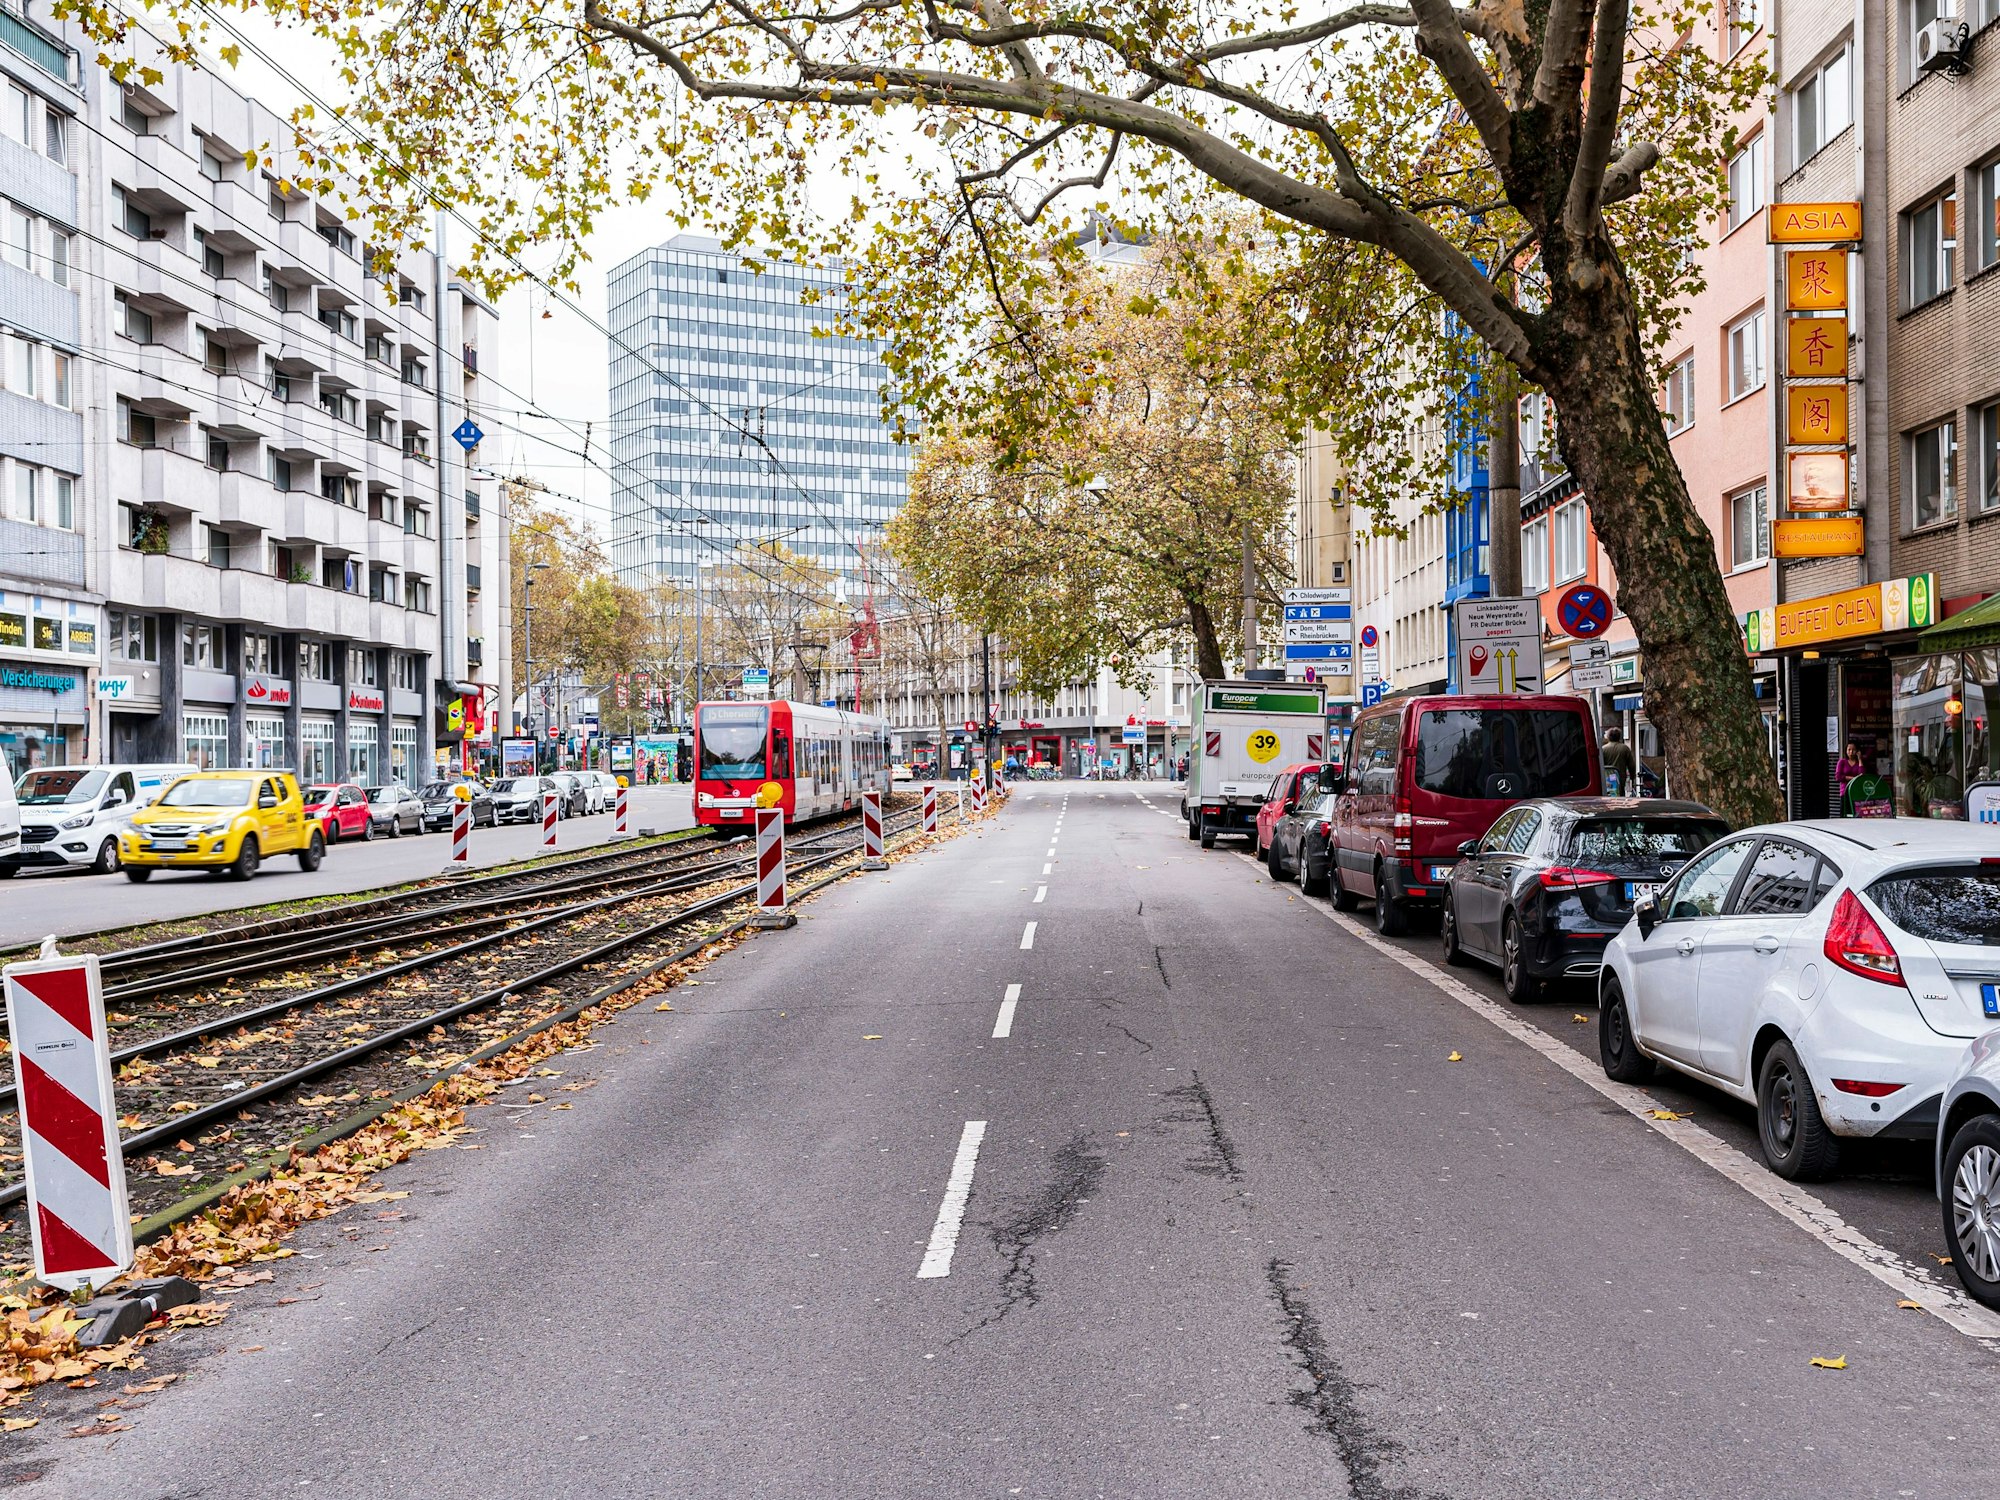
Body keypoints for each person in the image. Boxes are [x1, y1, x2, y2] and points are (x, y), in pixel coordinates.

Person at [1601, 727, 1636, 795]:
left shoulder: (1603, 749)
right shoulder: (1624, 748)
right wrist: (1632, 777)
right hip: (1620, 778)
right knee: (1620, 794)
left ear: (1608, 737)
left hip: (1606, 777)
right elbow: (1631, 765)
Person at [1834, 740, 1866, 809]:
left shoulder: (1859, 763)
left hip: (1857, 793)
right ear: (1846, 751)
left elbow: (1861, 776)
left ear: (1857, 751)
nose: (1851, 752)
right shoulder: (1842, 762)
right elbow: (1838, 777)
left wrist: (1860, 759)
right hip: (1844, 792)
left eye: (1853, 750)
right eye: (1849, 750)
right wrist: (1853, 778)